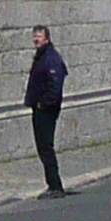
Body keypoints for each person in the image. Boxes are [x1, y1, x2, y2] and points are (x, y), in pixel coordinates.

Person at [25, 26, 69, 195]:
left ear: (47, 39)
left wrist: (44, 103)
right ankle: (52, 184)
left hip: (46, 110)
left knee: (46, 146)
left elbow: (56, 83)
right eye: (34, 36)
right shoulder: (41, 56)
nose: (36, 39)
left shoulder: (50, 57)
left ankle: (56, 186)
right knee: (42, 147)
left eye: (39, 36)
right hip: (39, 108)